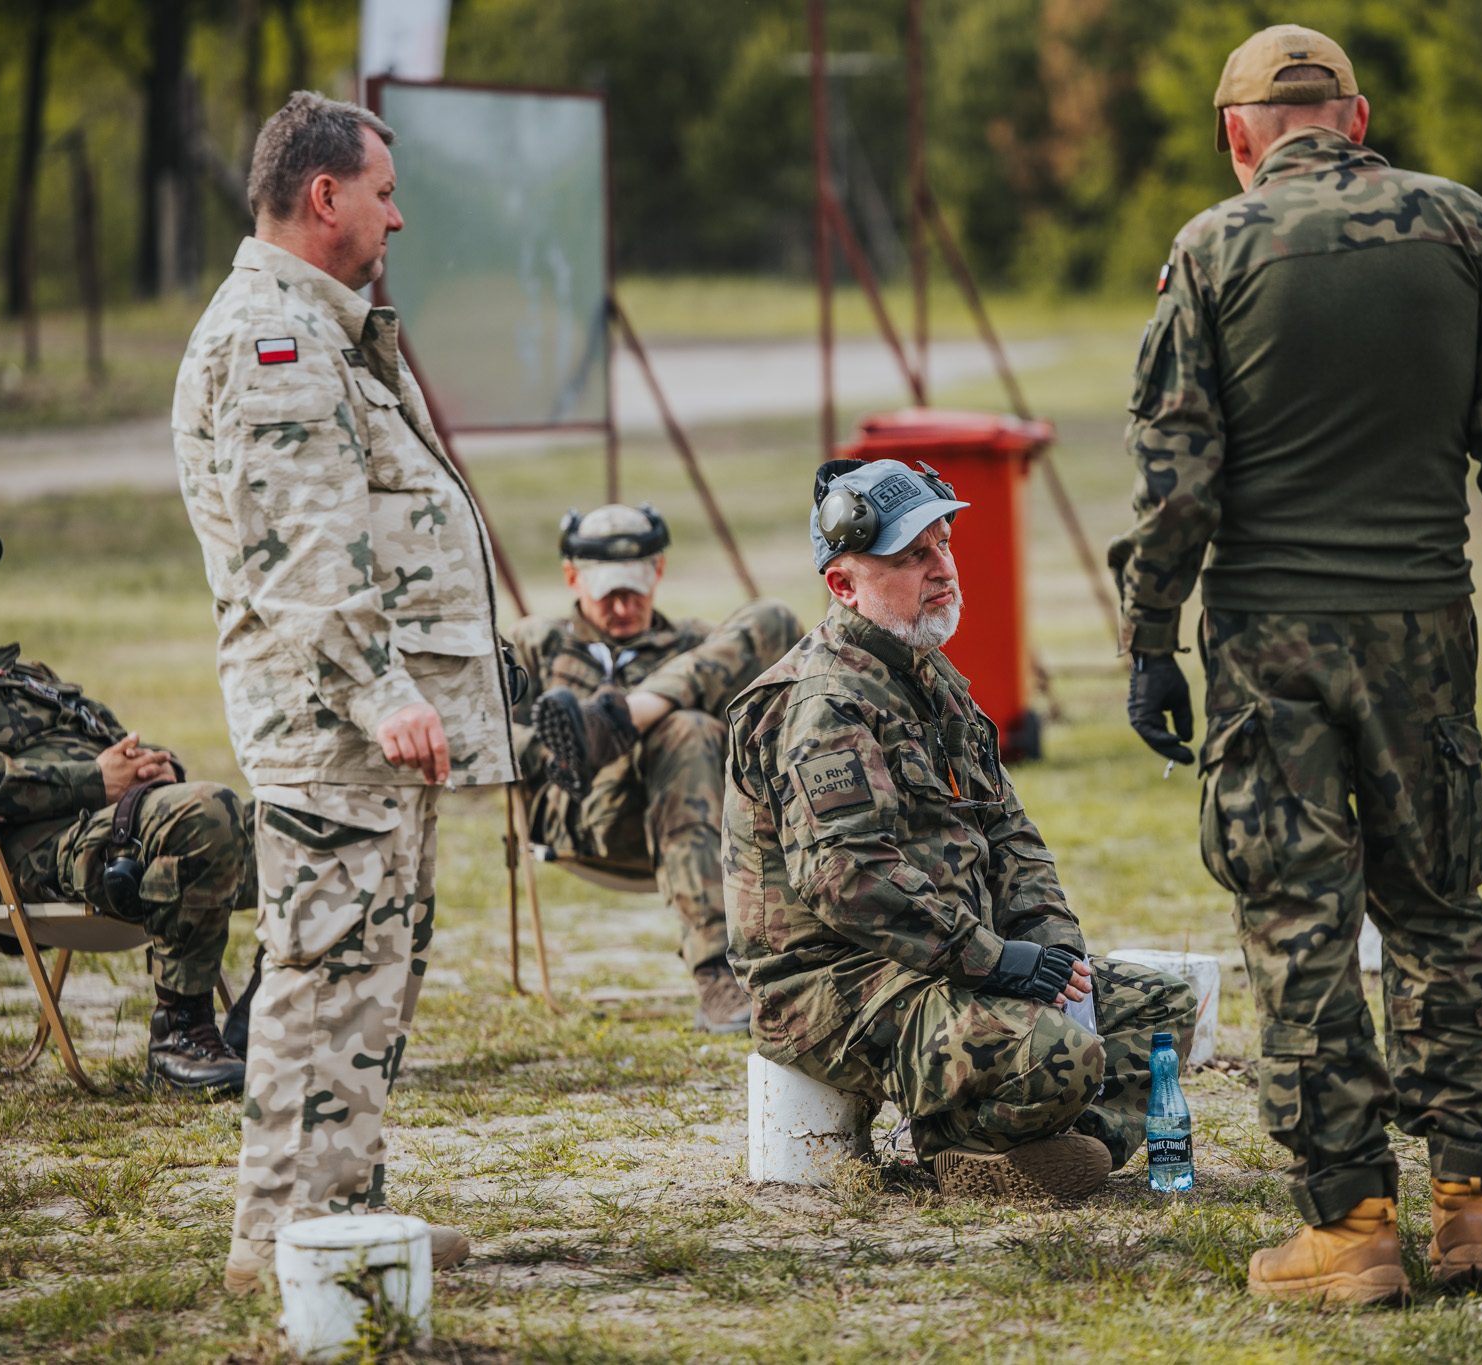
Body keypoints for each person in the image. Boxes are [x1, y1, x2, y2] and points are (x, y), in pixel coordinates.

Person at [1110, 26, 1482, 1303]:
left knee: (1301, 922)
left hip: (1271, 643)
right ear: (1354, 118)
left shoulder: (1213, 249)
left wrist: (1147, 639)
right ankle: (1476, 1204)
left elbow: (1176, 483)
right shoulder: (1458, 225)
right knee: (1437, 909)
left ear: (1236, 133)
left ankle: (1352, 1225)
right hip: (1426, 621)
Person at [172, 91, 515, 1292]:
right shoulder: (271, 335)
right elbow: (302, 551)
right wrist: (379, 696)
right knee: (321, 975)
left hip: (372, 736)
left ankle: (344, 1213)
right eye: (382, 192)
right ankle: (276, 1237)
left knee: (374, 975)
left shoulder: (320, 325)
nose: (397, 216)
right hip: (332, 730)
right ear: (325, 197)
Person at [722, 457, 1198, 1201]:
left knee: (1160, 1007)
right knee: (1064, 1055)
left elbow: (1010, 832)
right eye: (911, 557)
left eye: (942, 544)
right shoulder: (824, 702)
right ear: (844, 584)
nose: (941, 568)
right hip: (839, 983)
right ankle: (962, 1139)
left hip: (947, 962)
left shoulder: (928, 674)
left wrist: (1051, 946)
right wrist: (995, 959)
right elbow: (848, 881)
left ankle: (1034, 1146)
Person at [0, 524, 253, 1095]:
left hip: (114, 824)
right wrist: (95, 782)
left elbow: (119, 742)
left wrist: (159, 770)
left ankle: (264, 1021)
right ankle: (180, 1035)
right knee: (205, 814)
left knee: (296, 828)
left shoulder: (26, 679)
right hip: (14, 859)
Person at [510, 503, 801, 1033]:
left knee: (773, 620)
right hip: (588, 814)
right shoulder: (538, 644)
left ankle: (624, 716)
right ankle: (716, 972)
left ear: (659, 572)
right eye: (607, 592)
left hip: (699, 812)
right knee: (686, 728)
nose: (623, 606)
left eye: (635, 589)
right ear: (572, 577)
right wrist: (556, 752)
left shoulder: (694, 643)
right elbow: (480, 732)